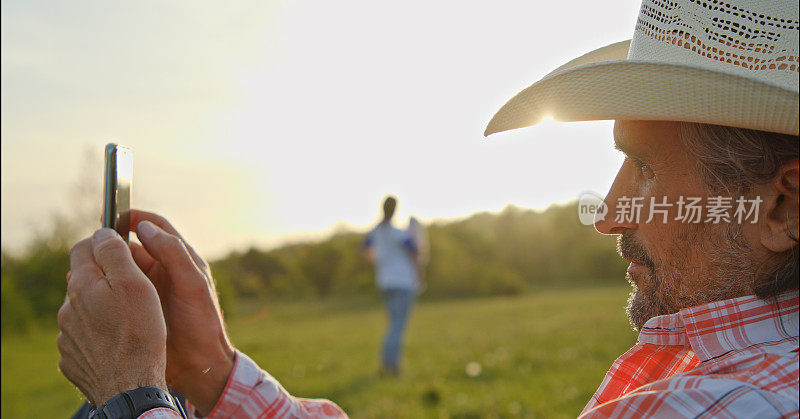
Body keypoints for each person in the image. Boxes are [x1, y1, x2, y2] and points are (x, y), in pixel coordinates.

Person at [58, 0, 798, 417]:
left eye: (641, 166)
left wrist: (131, 392)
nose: (608, 213)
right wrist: (217, 375)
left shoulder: (717, 402)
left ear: (782, 206)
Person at [362, 196, 420, 376]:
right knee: (397, 326)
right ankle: (391, 366)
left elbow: (365, 247)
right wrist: (415, 232)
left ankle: (387, 364)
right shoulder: (398, 233)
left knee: (392, 325)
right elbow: (415, 250)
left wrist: (378, 261)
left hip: (385, 281)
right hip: (402, 281)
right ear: (394, 210)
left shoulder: (376, 231)